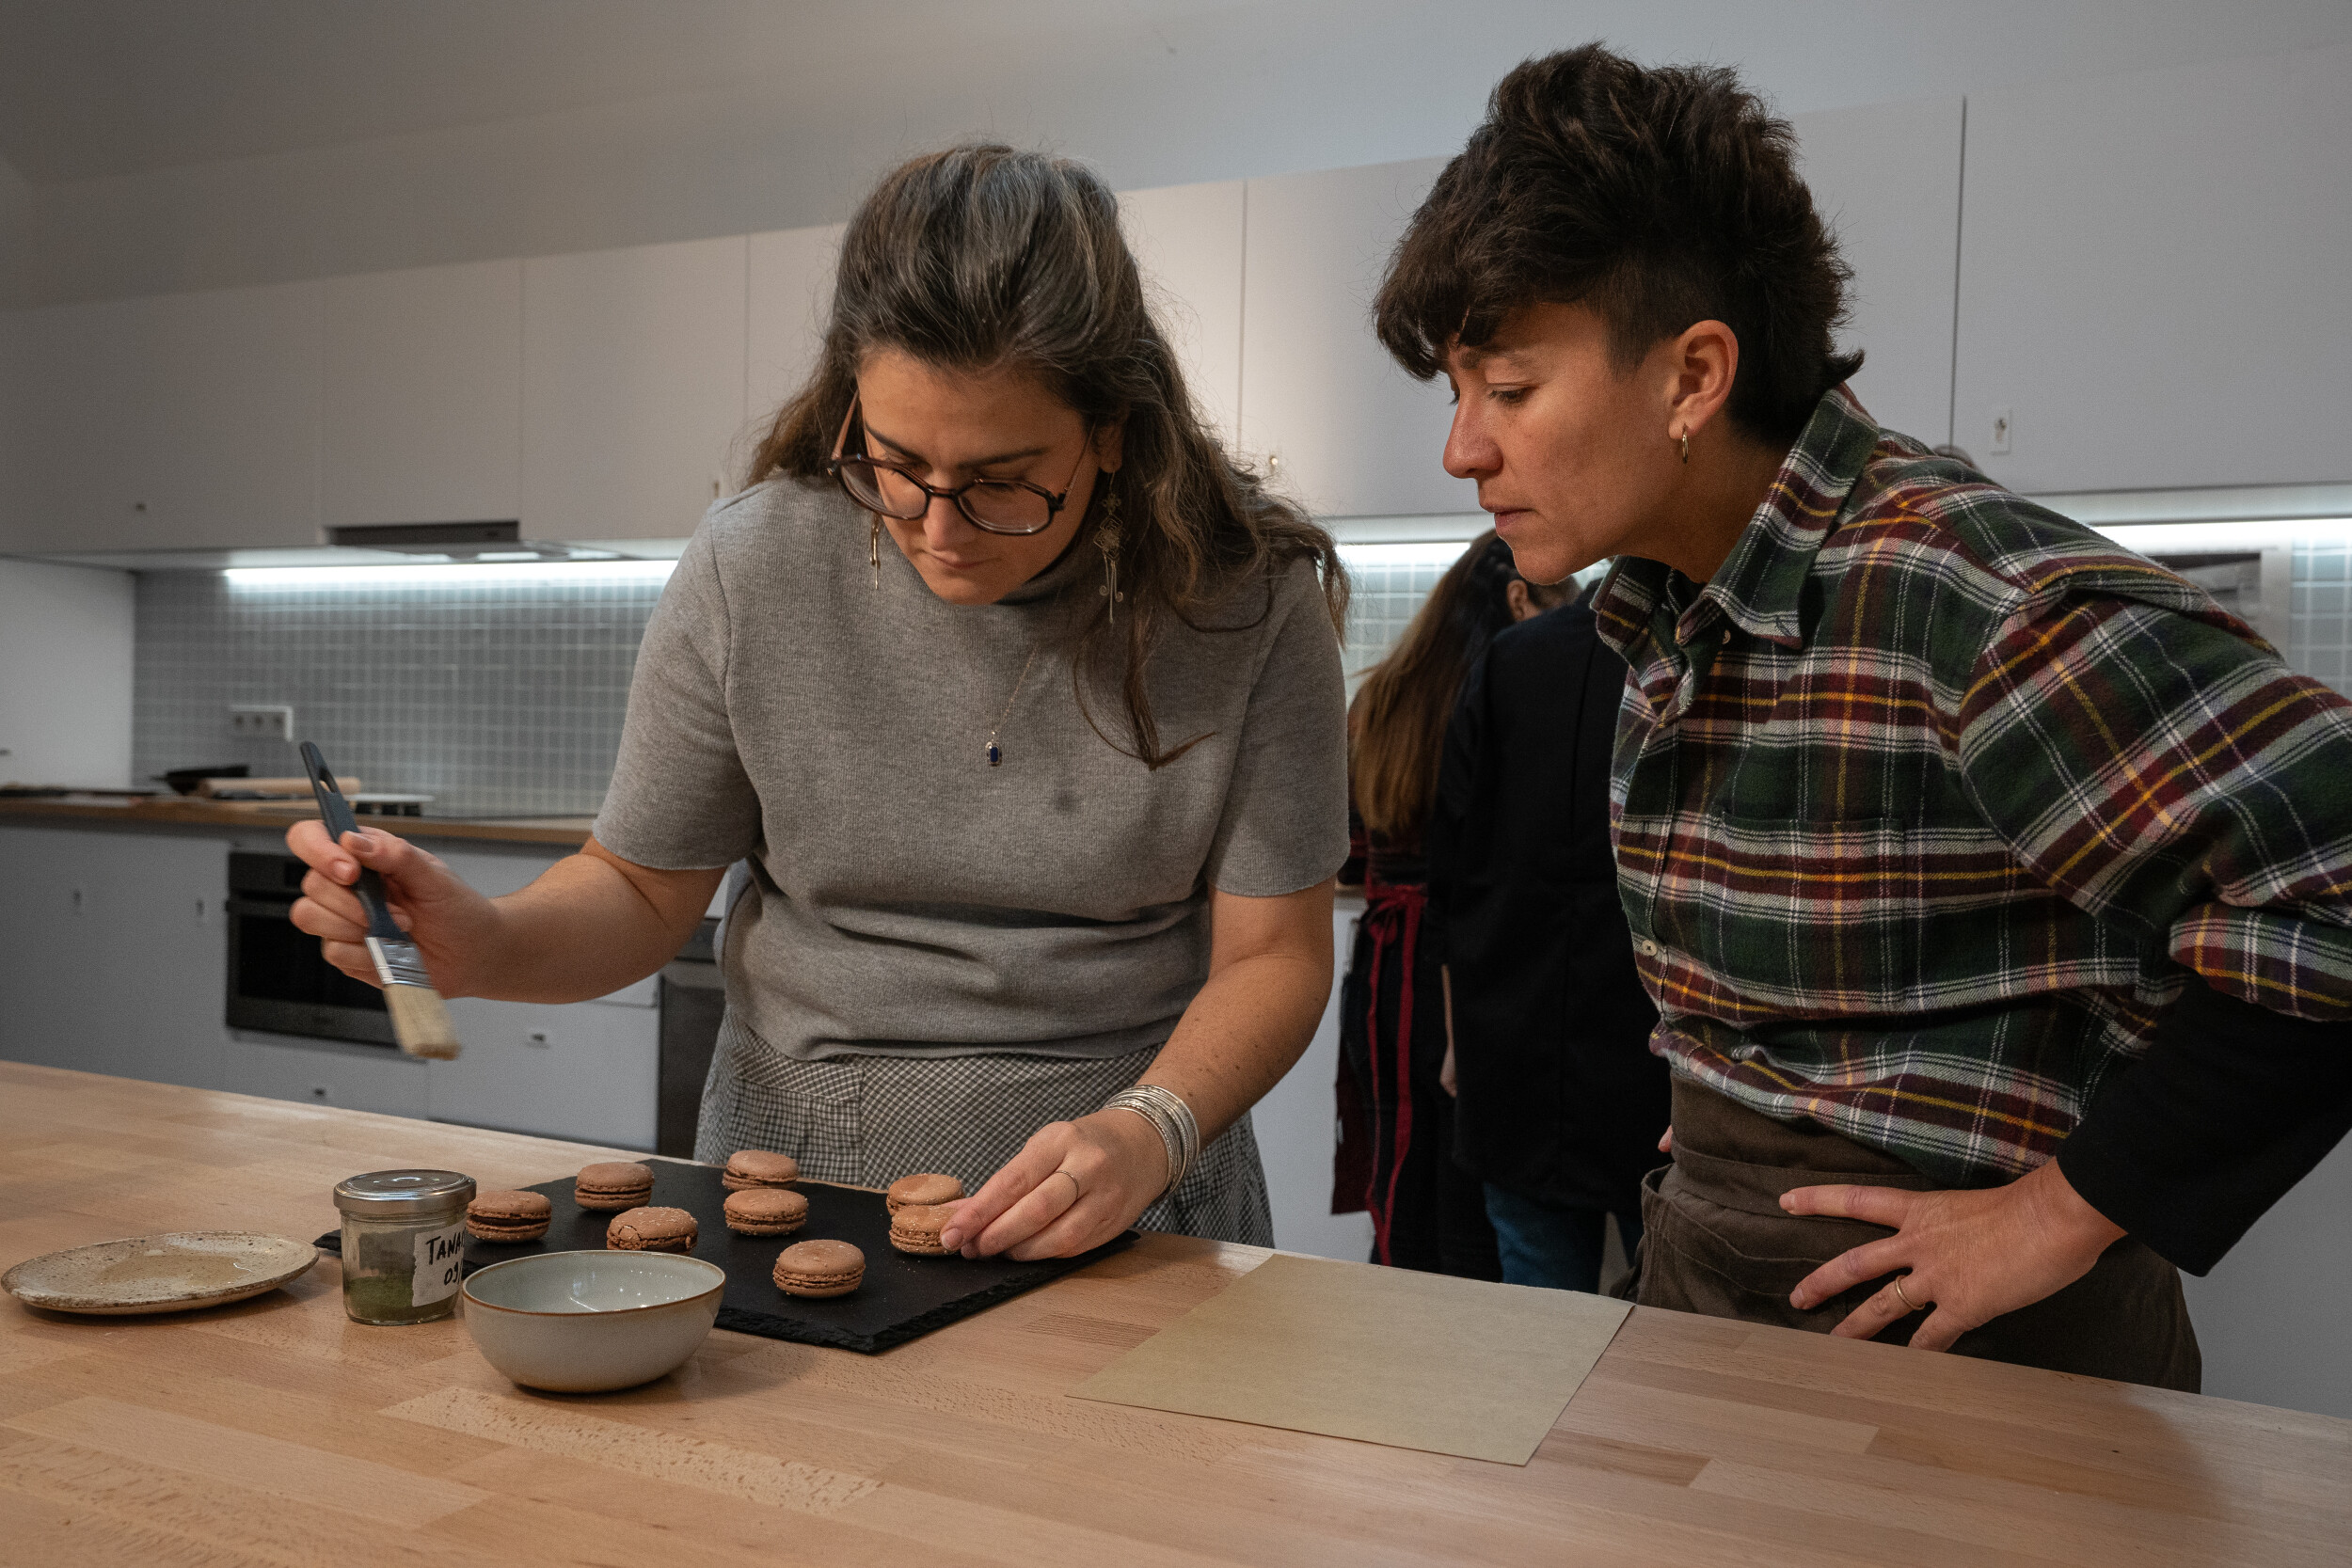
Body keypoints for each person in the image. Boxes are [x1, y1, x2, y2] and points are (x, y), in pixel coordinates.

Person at [1372, 44, 2352, 1388]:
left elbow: (2335, 888)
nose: (1462, 449)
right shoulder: (1660, 605)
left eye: (1510, 388)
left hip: (1976, 1376)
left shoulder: (1966, 599)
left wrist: (2062, 1210)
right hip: (1720, 1310)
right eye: (1456, 393)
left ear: (1693, 376)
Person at [288, 144, 1351, 1260]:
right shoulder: (752, 564)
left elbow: (1272, 953)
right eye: (894, 462)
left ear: (1113, 429)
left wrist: (1154, 1125)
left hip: (1129, 1187)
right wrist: (486, 944)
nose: (937, 528)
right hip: (798, 1163)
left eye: (1001, 480)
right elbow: (642, 889)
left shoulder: (1245, 598)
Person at [1427, 576, 1667, 1291]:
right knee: (1676, 1328)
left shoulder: (1510, 659)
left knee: (1536, 1330)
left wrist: (1455, 1038)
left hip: (1513, 1047)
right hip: (1653, 1065)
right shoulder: (1680, 662)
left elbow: (1450, 873)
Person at [1334, 532, 1520, 1277]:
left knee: (1394, 1154)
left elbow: (1346, 853)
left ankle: (1391, 1327)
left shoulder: (1381, 692)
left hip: (1382, 967)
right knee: (1465, 1175)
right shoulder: (1503, 694)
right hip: (1464, 967)